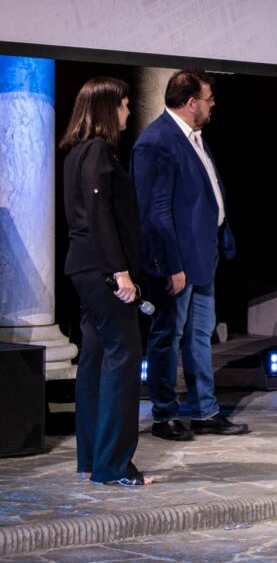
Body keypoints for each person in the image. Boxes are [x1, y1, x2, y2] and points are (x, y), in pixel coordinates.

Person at [131, 69, 248, 440]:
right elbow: (155, 213)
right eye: (209, 99)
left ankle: (204, 411)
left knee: (200, 335)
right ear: (191, 102)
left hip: (202, 258)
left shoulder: (195, 138)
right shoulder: (157, 142)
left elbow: (207, 194)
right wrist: (171, 265)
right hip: (176, 263)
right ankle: (164, 415)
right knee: (167, 334)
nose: (213, 105)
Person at [61, 77, 150, 486]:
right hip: (102, 271)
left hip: (82, 268)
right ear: (107, 108)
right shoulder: (98, 151)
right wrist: (120, 272)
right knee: (123, 357)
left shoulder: (75, 153)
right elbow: (99, 214)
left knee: (95, 360)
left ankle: (93, 459)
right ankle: (114, 465)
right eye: (125, 105)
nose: (128, 113)